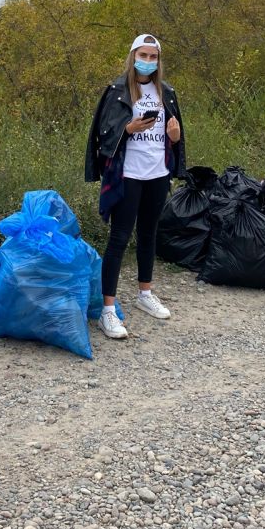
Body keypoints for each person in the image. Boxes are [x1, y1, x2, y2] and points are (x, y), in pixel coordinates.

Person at [84, 34, 186, 339]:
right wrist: (128, 129)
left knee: (148, 234)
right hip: (128, 174)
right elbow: (104, 137)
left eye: (153, 57)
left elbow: (175, 138)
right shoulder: (117, 91)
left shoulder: (165, 92)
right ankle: (107, 311)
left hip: (157, 173)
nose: (148, 61)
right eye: (144, 55)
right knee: (119, 238)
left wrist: (176, 137)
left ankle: (145, 293)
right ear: (133, 57)